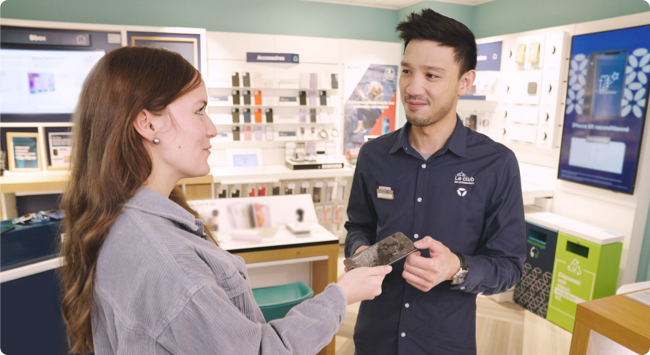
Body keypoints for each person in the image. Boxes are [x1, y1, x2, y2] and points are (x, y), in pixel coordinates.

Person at [59, 46, 391, 355]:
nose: (212, 128)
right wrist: (342, 294)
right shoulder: (170, 265)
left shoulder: (123, 221)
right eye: (199, 111)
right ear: (148, 123)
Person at [344, 9, 526, 355]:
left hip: (445, 342)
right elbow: (358, 226)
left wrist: (456, 267)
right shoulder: (374, 155)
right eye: (407, 71)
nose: (413, 87)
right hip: (374, 339)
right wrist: (359, 251)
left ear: (464, 82)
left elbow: (509, 266)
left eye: (431, 75)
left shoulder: (496, 164)